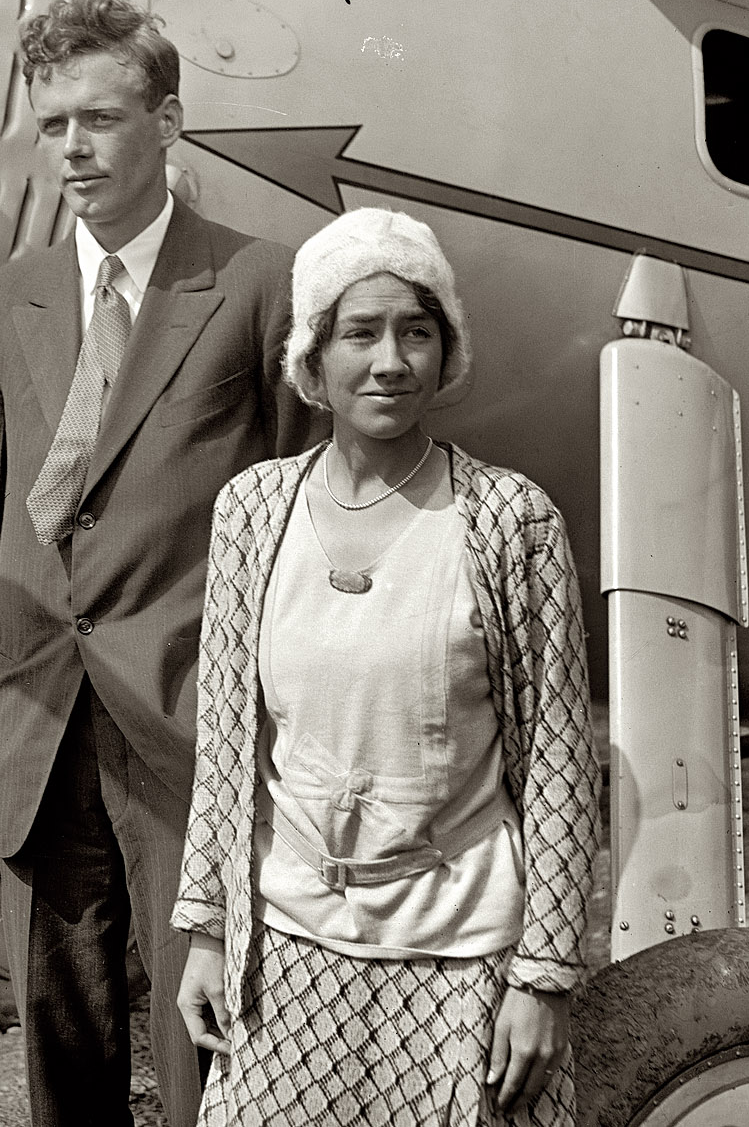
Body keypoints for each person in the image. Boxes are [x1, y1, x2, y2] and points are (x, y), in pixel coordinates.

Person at [0, 0, 320, 1127]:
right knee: (62, 1042)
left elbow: (304, 522)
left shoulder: (262, 283)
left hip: (193, 721)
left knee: (211, 1036)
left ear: (168, 122)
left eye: (100, 119)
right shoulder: (2, 303)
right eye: (53, 124)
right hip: (35, 724)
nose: (73, 148)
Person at [173, 207, 601, 1126]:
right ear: (313, 357)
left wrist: (545, 976)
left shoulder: (509, 519)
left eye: (417, 331)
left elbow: (560, 762)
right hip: (287, 954)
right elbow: (226, 742)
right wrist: (206, 930)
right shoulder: (253, 510)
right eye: (359, 333)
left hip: (463, 962)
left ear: (447, 351)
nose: (391, 361)